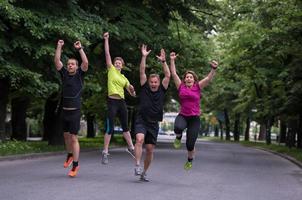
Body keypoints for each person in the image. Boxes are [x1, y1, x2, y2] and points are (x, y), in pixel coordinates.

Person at [170, 52, 218, 170]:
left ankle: (190, 160)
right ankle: (178, 137)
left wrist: (214, 69)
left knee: (190, 144)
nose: (189, 78)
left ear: (194, 79)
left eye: (191, 77)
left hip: (194, 118)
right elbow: (174, 73)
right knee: (178, 128)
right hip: (183, 115)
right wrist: (172, 60)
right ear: (185, 79)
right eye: (187, 77)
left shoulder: (198, 87)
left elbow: (208, 78)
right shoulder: (180, 86)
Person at [134, 45, 170, 182]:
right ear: (148, 82)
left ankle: (144, 172)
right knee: (139, 139)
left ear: (159, 82)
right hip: (141, 120)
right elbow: (142, 71)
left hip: (153, 123)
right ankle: (137, 165)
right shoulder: (144, 88)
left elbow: (168, 75)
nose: (154, 84)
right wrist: (144, 56)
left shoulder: (162, 89)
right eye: (151, 82)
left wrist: (163, 61)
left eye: (156, 82)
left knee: (149, 150)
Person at [54, 40, 88, 177]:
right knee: (66, 136)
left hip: (75, 111)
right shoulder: (64, 74)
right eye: (68, 64)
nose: (70, 66)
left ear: (76, 66)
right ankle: (69, 155)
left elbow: (86, 63)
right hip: (64, 110)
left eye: (72, 64)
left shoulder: (80, 74)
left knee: (74, 138)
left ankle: (75, 166)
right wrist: (59, 47)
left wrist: (80, 49)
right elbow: (57, 61)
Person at [101, 32, 136, 164]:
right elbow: (107, 54)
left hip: (121, 102)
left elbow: (132, 93)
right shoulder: (111, 70)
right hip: (112, 101)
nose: (117, 64)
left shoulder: (124, 78)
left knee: (125, 127)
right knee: (109, 128)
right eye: (116, 62)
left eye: (119, 63)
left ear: (122, 65)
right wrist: (106, 40)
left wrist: (132, 89)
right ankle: (105, 152)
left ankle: (131, 147)